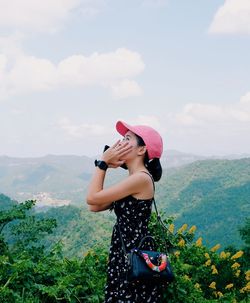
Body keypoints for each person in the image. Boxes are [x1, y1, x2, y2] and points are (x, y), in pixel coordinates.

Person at [86, 120, 164, 303]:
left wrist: (103, 163)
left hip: (134, 255)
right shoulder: (133, 180)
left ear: (141, 150)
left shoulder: (141, 178)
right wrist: (104, 166)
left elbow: (91, 198)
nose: (120, 143)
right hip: (124, 253)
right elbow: (94, 206)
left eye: (127, 138)